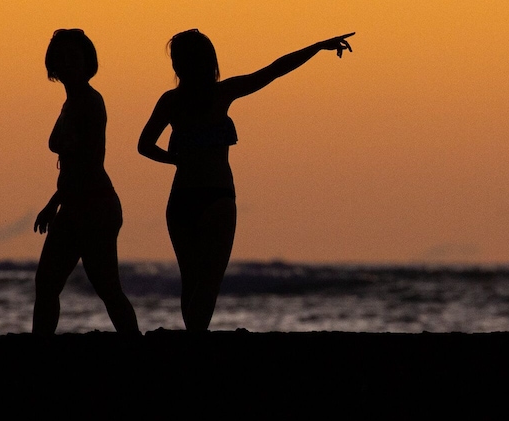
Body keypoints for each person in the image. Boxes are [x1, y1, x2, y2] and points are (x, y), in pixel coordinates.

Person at [137, 29, 353, 331]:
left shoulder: (188, 98)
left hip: (194, 198)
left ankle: (192, 335)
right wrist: (317, 47)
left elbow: (273, 71)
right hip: (206, 197)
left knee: (196, 280)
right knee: (205, 280)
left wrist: (316, 47)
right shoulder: (205, 95)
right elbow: (273, 71)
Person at [32, 29, 139, 335]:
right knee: (53, 284)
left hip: (92, 204)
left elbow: (89, 163)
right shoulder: (73, 101)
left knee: (99, 286)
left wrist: (54, 204)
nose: (67, 63)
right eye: (61, 57)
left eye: (73, 57)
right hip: (78, 200)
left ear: (86, 61)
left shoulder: (89, 102)